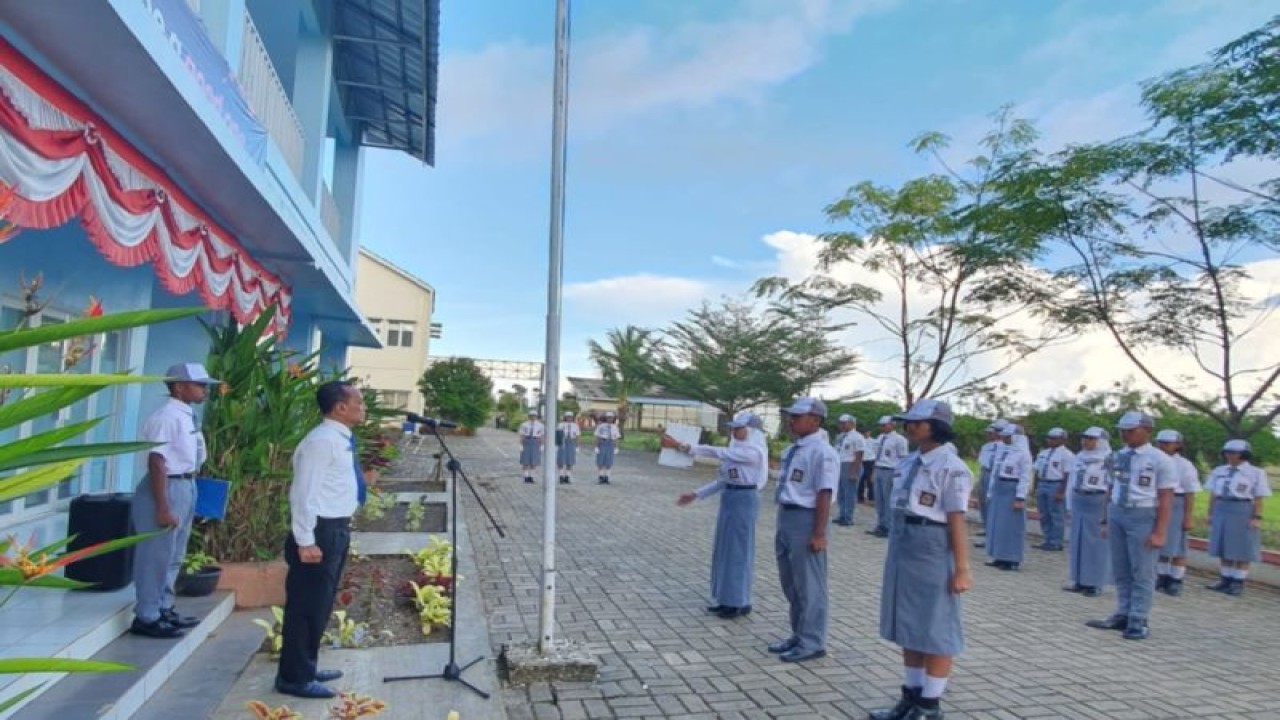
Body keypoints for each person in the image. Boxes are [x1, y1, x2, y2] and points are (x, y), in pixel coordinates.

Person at [870, 399, 972, 720]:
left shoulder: (952, 467)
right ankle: (910, 696)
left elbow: (957, 519)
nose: (910, 426)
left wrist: (962, 569)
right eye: (908, 421)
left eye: (918, 422)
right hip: (904, 542)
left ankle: (930, 704)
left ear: (937, 426)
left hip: (932, 543)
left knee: (936, 626)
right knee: (909, 622)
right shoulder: (909, 461)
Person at [276, 381, 366, 699]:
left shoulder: (338, 440)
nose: (363, 407)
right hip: (319, 534)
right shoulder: (322, 442)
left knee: (319, 605)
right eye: (358, 401)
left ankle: (306, 666)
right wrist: (305, 540)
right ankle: (294, 679)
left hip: (335, 529)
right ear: (340, 407)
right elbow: (303, 494)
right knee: (305, 608)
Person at [129, 363, 220, 638]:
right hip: (165, 486)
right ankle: (146, 615)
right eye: (199, 384)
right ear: (179, 386)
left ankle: (163, 607)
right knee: (154, 555)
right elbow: (157, 462)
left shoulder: (186, 415)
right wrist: (163, 506)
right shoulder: (166, 417)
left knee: (174, 553)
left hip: (185, 482)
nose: (205, 390)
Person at [664, 412, 768, 619]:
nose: (734, 431)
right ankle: (727, 598)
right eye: (734, 428)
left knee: (738, 551)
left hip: (744, 500)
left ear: (752, 431)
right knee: (725, 550)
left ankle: (737, 602)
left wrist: (683, 446)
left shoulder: (754, 452)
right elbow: (723, 480)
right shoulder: (736, 451)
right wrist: (695, 494)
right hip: (731, 498)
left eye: (739, 428)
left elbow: (715, 452)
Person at [1086, 410, 1174, 641]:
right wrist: (1105, 518)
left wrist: (1160, 531)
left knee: (1142, 570)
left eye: (1131, 431)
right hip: (1118, 510)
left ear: (1147, 431)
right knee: (1121, 568)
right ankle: (1122, 612)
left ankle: (1139, 618)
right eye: (1122, 431)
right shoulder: (1116, 456)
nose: (1126, 435)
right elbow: (1110, 487)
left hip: (1143, 512)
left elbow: (1165, 497)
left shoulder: (1159, 459)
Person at [768, 397, 839, 663]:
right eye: (790, 416)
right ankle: (798, 633)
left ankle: (813, 641)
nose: (791, 421)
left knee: (810, 585)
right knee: (791, 582)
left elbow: (824, 493)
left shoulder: (823, 452)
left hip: (807, 520)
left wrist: (819, 533)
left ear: (815, 420)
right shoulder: (794, 449)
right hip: (787, 516)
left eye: (797, 417)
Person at [1203, 439, 1271, 597]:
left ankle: (1237, 582)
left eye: (1234, 453)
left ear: (1244, 455)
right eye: (1227, 452)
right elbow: (1213, 494)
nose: (1229, 456)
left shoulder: (1255, 473)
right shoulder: (1220, 470)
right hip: (1222, 507)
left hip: (1242, 508)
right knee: (1223, 545)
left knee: (1241, 547)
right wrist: (1210, 513)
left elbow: (1258, 497)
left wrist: (1256, 516)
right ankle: (1225, 579)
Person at [1063, 426, 1112, 597]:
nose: (1086, 441)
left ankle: (1093, 582)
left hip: (1098, 500)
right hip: (1079, 498)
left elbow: (1111, 486)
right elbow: (1071, 481)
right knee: (1078, 540)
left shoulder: (1109, 459)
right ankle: (1078, 579)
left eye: (1091, 439)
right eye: (1084, 438)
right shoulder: (1080, 457)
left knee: (1095, 542)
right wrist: (1068, 505)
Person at [1154, 429, 1200, 596]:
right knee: (1161, 542)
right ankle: (1162, 576)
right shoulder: (1154, 460)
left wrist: (1188, 516)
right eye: (1159, 443)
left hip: (1176, 501)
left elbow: (1190, 492)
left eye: (1166, 443)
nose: (1162, 446)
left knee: (1178, 544)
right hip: (1156, 501)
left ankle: (1176, 579)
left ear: (1177, 445)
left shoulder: (1184, 465)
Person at [985, 424, 1030, 571]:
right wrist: (990, 491)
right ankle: (998, 555)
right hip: (999, 487)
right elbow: (994, 472)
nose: (1003, 438)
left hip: (1012, 488)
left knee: (1011, 526)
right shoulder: (1002, 450)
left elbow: (1025, 476)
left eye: (1007, 436)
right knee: (997, 524)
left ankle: (1011, 559)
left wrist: (1020, 497)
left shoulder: (1023, 453)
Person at [1032, 428, 1074, 551]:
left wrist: (1061, 491)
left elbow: (1067, 474)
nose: (1050, 440)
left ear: (1063, 439)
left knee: (1056, 514)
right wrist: (1036, 487)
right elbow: (1037, 470)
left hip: (1056, 484)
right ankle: (1047, 539)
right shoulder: (1043, 453)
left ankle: (1056, 541)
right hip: (1043, 483)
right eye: (1049, 438)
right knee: (1044, 514)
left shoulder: (1067, 455)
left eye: (1054, 438)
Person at [868, 416, 909, 538]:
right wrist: (874, 471)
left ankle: (888, 527)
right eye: (881, 425)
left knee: (888, 500)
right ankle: (880, 524)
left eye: (884, 425)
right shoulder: (880, 438)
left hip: (891, 470)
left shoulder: (900, 440)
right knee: (879, 500)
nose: (882, 427)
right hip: (879, 468)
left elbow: (903, 458)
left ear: (892, 425)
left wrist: (899, 476)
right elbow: (877, 455)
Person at [971, 421, 1003, 549]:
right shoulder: (986, 446)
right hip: (985, 472)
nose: (988, 435)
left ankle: (992, 533)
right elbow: (981, 460)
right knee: (982, 501)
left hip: (994, 473)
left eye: (991, 432)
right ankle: (986, 526)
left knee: (991, 503)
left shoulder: (1004, 446)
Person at [834, 414, 866, 526]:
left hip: (851, 465)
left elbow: (859, 454)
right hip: (840, 464)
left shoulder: (857, 437)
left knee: (850, 493)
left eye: (844, 423)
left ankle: (848, 517)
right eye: (840, 423)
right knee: (841, 493)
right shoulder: (840, 436)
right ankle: (842, 514)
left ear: (852, 423)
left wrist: (854, 471)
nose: (841, 425)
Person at [594, 411, 621, 484]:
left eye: (611, 418)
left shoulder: (615, 427)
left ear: (613, 418)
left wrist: (616, 447)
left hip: (611, 444)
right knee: (601, 461)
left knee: (609, 461)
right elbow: (597, 436)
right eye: (608, 417)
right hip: (603, 443)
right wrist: (596, 446)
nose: (609, 419)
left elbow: (616, 438)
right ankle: (601, 476)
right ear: (605, 418)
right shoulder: (601, 426)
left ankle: (607, 477)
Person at [518, 410, 544, 483]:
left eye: (534, 416)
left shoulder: (540, 425)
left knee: (534, 460)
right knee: (525, 460)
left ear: (536, 416)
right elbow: (521, 435)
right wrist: (520, 445)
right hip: (527, 441)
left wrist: (542, 445)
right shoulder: (524, 424)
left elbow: (542, 436)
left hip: (535, 441)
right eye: (531, 416)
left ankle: (531, 477)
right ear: (529, 416)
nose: (533, 417)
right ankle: (526, 477)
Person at [556, 411, 581, 484]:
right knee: (561, 459)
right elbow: (558, 435)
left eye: (570, 417)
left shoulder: (575, 425)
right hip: (563, 441)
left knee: (570, 460)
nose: (569, 418)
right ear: (565, 417)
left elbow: (577, 436)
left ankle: (567, 476)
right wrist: (557, 445)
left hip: (571, 441)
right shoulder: (561, 424)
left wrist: (577, 446)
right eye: (567, 416)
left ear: (572, 417)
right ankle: (561, 476)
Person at [858, 427, 876, 505]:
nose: (866, 434)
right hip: (862, 461)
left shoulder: (874, 441)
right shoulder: (859, 441)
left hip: (870, 461)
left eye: (867, 432)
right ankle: (860, 497)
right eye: (864, 433)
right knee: (860, 480)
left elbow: (876, 451)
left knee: (870, 480)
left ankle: (871, 498)